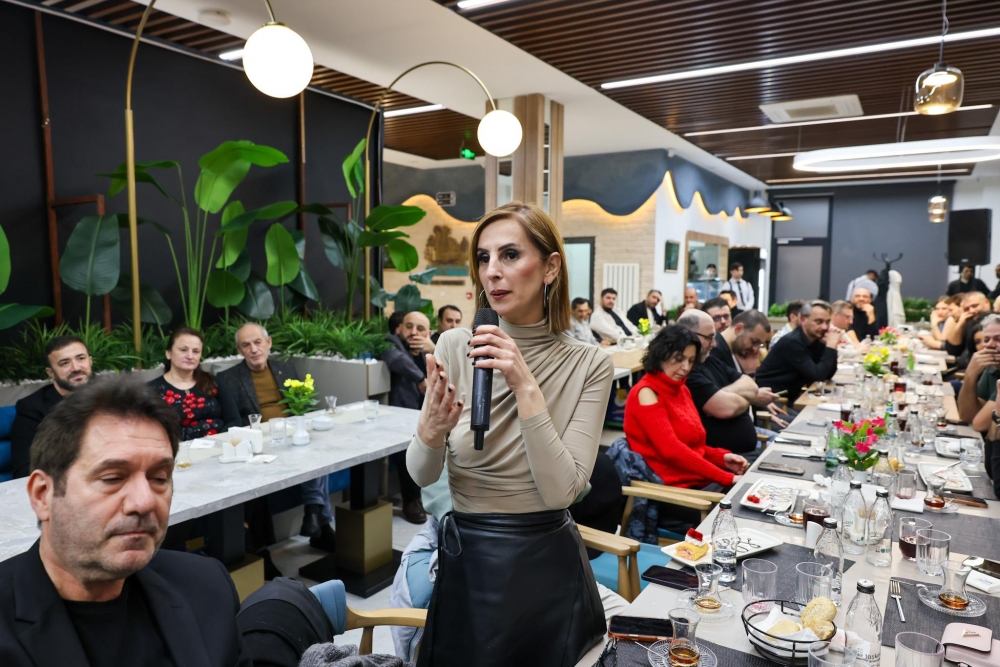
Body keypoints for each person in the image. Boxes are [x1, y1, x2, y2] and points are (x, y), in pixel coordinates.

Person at [405, 201, 613, 666]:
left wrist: (525, 386)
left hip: (548, 566)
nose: (492, 272)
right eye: (484, 258)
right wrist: (430, 433)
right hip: (470, 559)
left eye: (510, 255)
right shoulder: (456, 345)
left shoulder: (590, 364)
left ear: (551, 267)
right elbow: (421, 476)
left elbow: (561, 491)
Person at [0, 377, 251, 667]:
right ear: (43, 495)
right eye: (112, 478)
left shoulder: (206, 589)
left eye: (159, 478)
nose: (144, 502)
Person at [217, 323, 335, 552]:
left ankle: (314, 512)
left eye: (258, 342)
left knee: (317, 452)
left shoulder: (285, 369)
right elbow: (232, 421)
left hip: (290, 436)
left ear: (268, 343)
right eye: (246, 345)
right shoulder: (227, 378)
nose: (254, 349)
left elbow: (301, 407)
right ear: (239, 350)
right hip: (260, 443)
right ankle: (319, 519)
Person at [623, 325, 748, 491]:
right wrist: (726, 477)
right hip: (674, 491)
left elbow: (694, 447)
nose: (686, 367)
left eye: (690, 360)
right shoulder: (646, 392)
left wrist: (722, 458)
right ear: (660, 356)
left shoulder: (681, 388)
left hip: (696, 482)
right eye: (679, 359)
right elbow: (671, 451)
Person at [680, 310, 776, 462]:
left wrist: (723, 394)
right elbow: (725, 408)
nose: (714, 343)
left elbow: (751, 385)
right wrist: (746, 398)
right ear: (688, 335)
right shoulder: (686, 371)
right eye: (709, 337)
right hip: (726, 458)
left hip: (741, 453)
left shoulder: (709, 360)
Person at [10, 335, 94, 480]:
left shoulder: (109, 396)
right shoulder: (32, 408)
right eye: (64, 363)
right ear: (51, 373)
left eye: (81, 358)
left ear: (90, 361)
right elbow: (24, 470)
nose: (76, 368)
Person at [380, 311, 433, 524]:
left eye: (420, 329)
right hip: (400, 417)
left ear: (429, 333)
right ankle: (411, 501)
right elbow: (395, 359)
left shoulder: (433, 348)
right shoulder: (390, 342)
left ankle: (434, 497)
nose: (414, 332)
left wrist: (435, 350)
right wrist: (421, 379)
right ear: (400, 328)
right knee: (408, 446)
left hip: (430, 415)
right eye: (409, 326)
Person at [148, 327, 240, 441]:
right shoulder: (151, 391)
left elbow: (234, 420)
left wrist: (220, 443)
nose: (190, 356)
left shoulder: (212, 382)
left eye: (196, 351)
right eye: (183, 350)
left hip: (220, 445)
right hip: (179, 449)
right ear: (169, 353)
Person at [755, 300, 839, 404]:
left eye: (827, 322)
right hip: (771, 400)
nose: (825, 327)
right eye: (819, 322)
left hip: (790, 398)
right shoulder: (793, 342)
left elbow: (827, 374)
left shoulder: (816, 339)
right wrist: (830, 346)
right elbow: (818, 376)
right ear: (803, 320)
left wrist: (831, 347)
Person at [956, 314, 1000, 490]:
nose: (988, 345)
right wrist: (970, 375)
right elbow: (967, 415)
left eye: (998, 339)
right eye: (986, 339)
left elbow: (979, 423)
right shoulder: (992, 368)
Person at [945, 292, 991, 359]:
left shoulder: (995, 323)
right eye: (967, 309)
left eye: (975, 306)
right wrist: (960, 324)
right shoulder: (969, 323)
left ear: (987, 303)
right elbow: (952, 350)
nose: (971, 310)